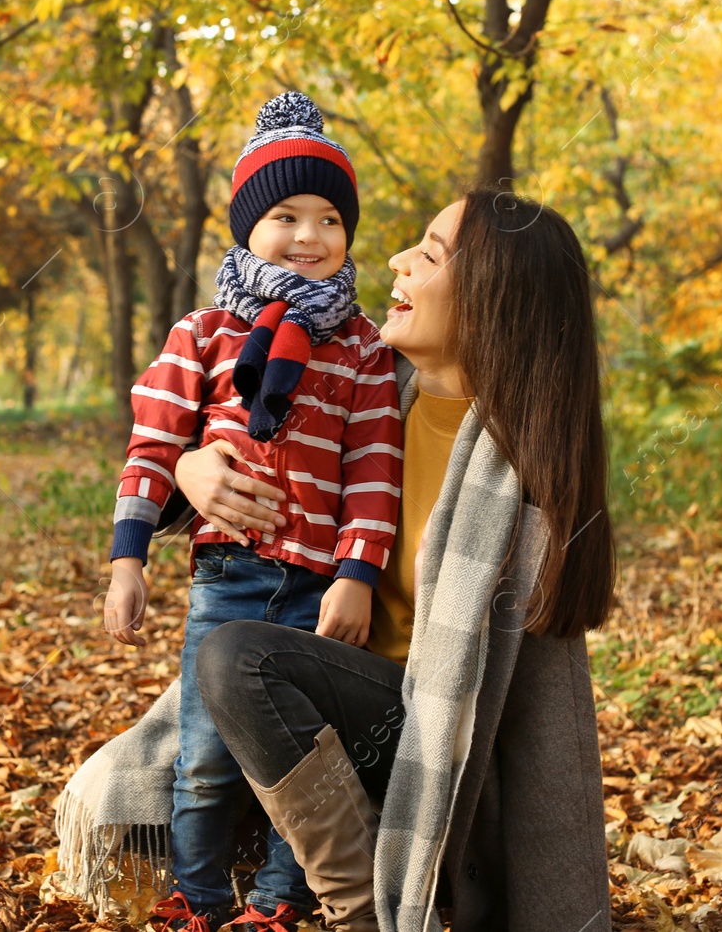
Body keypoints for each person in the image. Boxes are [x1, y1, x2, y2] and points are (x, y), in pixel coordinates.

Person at [178, 190, 617, 932]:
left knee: (238, 659)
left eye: (431, 253)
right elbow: (254, 490)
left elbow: (526, 734)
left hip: (432, 753)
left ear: (493, 300)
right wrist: (194, 472)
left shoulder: (521, 482)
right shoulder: (360, 399)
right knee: (228, 655)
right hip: (325, 714)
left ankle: (357, 914)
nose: (397, 260)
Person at [99, 90, 403, 932]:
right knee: (204, 757)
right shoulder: (203, 333)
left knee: (298, 760)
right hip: (227, 576)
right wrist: (130, 561)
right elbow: (154, 447)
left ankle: (276, 899)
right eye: (286, 216)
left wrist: (356, 575)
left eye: (329, 219)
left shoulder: (365, 349)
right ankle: (195, 896)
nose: (310, 236)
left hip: (316, 586)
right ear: (246, 227)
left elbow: (375, 470)